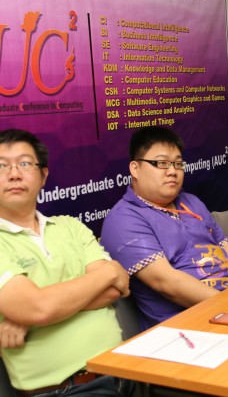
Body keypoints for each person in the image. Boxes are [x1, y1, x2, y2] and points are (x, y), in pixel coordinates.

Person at [0, 129, 134, 396]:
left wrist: (31, 319)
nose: (14, 174)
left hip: (124, 370)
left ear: (43, 175)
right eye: (2, 166)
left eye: (24, 163)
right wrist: (109, 271)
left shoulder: (70, 226)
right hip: (66, 390)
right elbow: (38, 307)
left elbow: (114, 290)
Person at [101, 127, 228, 330]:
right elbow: (166, 282)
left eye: (178, 164)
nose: (172, 171)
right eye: (162, 163)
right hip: (191, 323)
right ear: (135, 169)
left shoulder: (191, 202)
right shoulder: (124, 219)